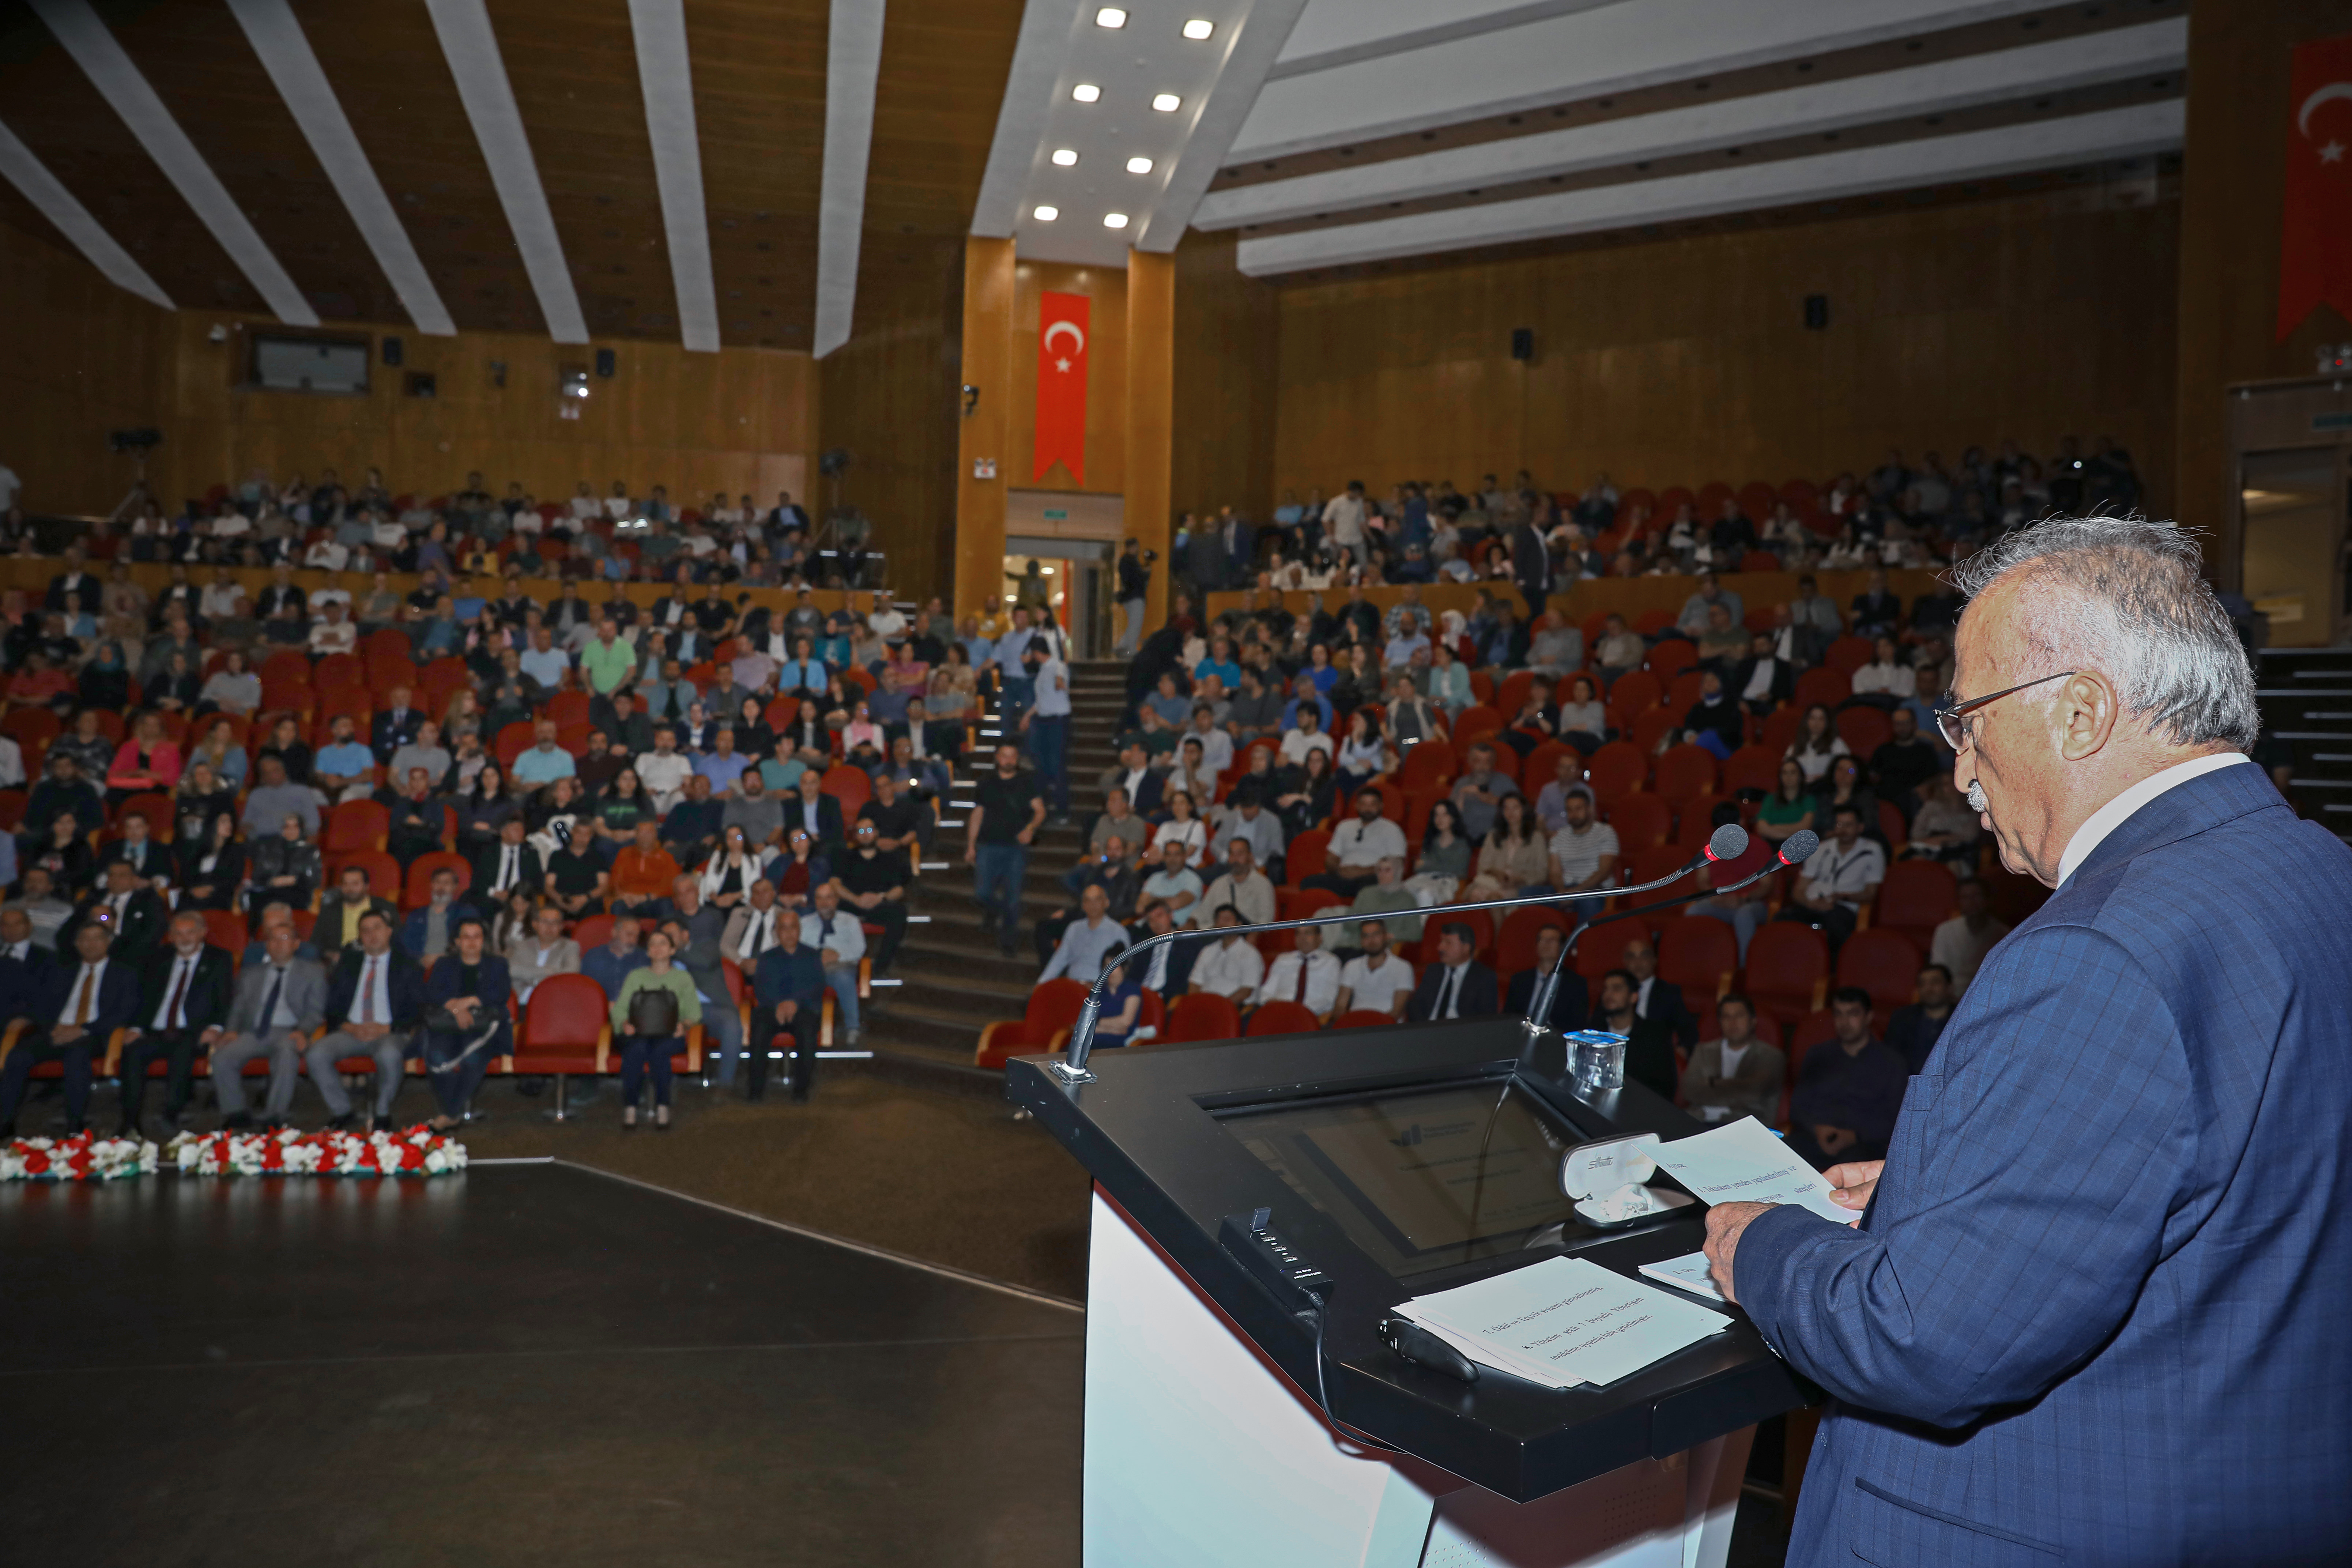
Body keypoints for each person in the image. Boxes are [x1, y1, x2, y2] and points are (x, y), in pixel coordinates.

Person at [1703, 513, 2352, 1560]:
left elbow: (1923, 1339)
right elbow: (2242, 1180)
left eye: (1968, 720)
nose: (1960, 771)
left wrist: (1762, 1246)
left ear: (2082, 712)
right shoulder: (2321, 871)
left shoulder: (2098, 950)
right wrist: (1949, 1189)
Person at [307, 912, 425, 1132]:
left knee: (389, 1055)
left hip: (390, 1032)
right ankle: (342, 1111)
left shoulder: (407, 965)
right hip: (352, 1031)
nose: (372, 935)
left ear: (389, 932)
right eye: (366, 930)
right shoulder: (349, 963)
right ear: (360, 937)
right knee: (316, 1054)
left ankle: (382, 1113)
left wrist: (387, 1028)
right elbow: (332, 1004)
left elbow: (419, 1009)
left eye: (377, 928)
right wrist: (349, 1027)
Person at [208, 923, 329, 1130]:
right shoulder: (251, 973)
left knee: (286, 1054)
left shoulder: (313, 972)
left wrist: (304, 1031)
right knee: (222, 1057)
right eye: (272, 939)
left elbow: (315, 1011)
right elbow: (238, 1007)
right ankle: (236, 1113)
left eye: (284, 938)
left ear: (296, 944)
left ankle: (274, 1115)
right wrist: (231, 1031)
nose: (278, 944)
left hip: (289, 1031)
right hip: (253, 1032)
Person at [419, 916, 511, 1132]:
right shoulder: (443, 964)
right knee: (436, 1058)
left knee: (473, 1059)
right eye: (466, 937)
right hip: (447, 1025)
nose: (472, 942)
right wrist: (455, 1008)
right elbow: (431, 993)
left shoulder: (498, 964)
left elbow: (501, 994)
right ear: (457, 941)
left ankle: (448, 1114)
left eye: (477, 937)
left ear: (484, 941)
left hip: (486, 1027)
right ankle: (452, 1112)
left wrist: (469, 1002)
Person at [608, 927, 701, 1130]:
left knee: (660, 1052)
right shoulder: (636, 976)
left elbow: (695, 1012)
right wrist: (624, 1024)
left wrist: (684, 1026)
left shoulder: (683, 978)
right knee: (636, 1050)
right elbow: (620, 1009)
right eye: (653, 944)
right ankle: (631, 1106)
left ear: (672, 950)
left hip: (670, 1033)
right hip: (637, 1032)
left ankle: (663, 1106)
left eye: (663, 944)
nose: (657, 948)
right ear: (648, 951)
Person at [966, 742, 1043, 958]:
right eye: (1004, 756)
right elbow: (977, 814)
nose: (1008, 760)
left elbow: (1040, 811)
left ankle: (1009, 941)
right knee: (982, 893)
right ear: (997, 758)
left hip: (1015, 848)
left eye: (1013, 756)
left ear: (1017, 759)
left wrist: (1030, 828)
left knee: (1013, 897)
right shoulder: (986, 783)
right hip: (987, 845)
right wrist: (971, 845)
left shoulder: (1026, 782)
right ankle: (994, 911)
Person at [1774, 802, 1884, 954]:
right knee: (1781, 919)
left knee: (1836, 924)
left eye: (1849, 825)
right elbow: (1799, 889)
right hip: (1813, 903)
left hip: (1845, 906)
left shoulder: (1872, 851)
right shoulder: (1821, 849)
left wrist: (1842, 897)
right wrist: (1810, 903)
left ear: (1860, 827)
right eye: (1839, 825)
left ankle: (1833, 967)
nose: (1843, 830)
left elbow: (1871, 893)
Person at [1676, 994, 1784, 1125]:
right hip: (1699, 1120)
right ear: (1720, 1022)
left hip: (1743, 1125)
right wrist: (1737, 1087)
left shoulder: (1771, 1056)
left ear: (1753, 1021)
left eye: (1739, 1016)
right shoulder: (1703, 1051)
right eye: (1727, 1017)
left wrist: (1712, 1083)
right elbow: (1689, 1090)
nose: (1733, 1023)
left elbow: (1752, 1093)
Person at [750, 915, 823, 1102]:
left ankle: (801, 1091)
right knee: (759, 1030)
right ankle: (756, 1091)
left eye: (793, 927)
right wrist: (779, 1005)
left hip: (803, 1008)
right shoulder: (767, 957)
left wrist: (795, 1003)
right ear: (777, 932)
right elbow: (761, 988)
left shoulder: (812, 956)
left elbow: (817, 986)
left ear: (799, 930)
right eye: (784, 928)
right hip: (772, 1008)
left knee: (808, 1031)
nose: (789, 933)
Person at [1588, 968, 1676, 1100]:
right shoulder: (1593, 1031)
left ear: (1633, 997)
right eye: (1606, 989)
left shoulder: (1654, 1035)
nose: (1608, 994)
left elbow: (1665, 1086)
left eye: (1616, 989)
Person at [800, 883, 867, 1048]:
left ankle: (852, 1027)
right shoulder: (804, 923)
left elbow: (859, 949)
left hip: (841, 966)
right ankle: (804, 1029)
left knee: (843, 978)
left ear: (836, 900)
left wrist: (837, 956)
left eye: (829, 898)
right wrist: (817, 957)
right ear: (815, 901)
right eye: (820, 898)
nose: (824, 903)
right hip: (812, 968)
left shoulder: (850, 921)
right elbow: (797, 949)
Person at [1926, 875, 2009, 991]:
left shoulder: (2003, 934)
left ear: (1987, 900)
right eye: (1965, 898)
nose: (1971, 902)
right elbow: (1939, 972)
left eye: (1977, 896)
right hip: (1950, 994)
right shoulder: (1945, 930)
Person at [1503, 924, 1587, 1032]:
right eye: (1542, 940)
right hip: (1521, 1034)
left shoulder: (1576, 984)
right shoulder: (1520, 980)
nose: (1546, 944)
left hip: (1556, 1037)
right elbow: (1508, 1016)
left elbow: (1577, 1025)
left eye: (1551, 940)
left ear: (1562, 947)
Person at [1406, 923, 1496, 1022]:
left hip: (1462, 1029)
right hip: (1429, 1027)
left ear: (1466, 948)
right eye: (1441, 942)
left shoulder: (1483, 977)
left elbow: (1486, 1018)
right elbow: (1416, 1006)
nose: (1440, 948)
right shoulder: (1433, 971)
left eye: (1448, 943)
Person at [1252, 923, 1340, 1021]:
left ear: (1320, 938)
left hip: (1311, 1016)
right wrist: (1277, 1006)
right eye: (1298, 933)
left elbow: (1330, 999)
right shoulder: (1283, 959)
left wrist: (1299, 1011)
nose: (1302, 938)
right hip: (1279, 1012)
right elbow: (1266, 993)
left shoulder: (1331, 962)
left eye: (1308, 933)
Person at [1884, 961, 1956, 1073]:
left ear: (1949, 987)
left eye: (1935, 982)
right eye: (1923, 984)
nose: (1929, 988)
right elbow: (1890, 1059)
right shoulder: (1901, 1019)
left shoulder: (1963, 1019)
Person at [1187, 906, 1265, 1007]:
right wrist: (1197, 1004)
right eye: (1219, 920)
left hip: (1234, 1008)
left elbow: (1246, 991)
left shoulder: (1250, 954)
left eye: (1227, 920)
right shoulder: (1207, 951)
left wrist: (1221, 1007)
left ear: (1239, 924)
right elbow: (1195, 983)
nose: (1223, 924)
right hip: (1204, 1006)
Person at [506, 902, 581, 1003]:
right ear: (535, 924)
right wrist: (550, 971)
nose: (550, 927)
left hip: (553, 1002)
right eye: (545, 922)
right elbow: (512, 970)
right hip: (520, 1001)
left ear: (561, 926)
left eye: (555, 922)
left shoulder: (570, 947)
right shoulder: (520, 946)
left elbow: (571, 973)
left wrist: (530, 977)